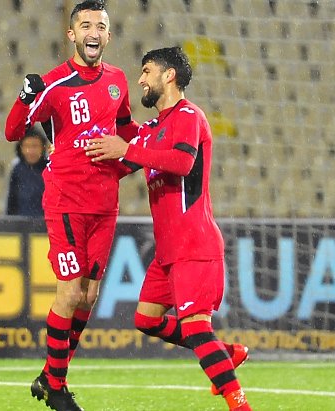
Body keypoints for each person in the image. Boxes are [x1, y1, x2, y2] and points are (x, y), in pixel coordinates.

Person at [85, 46, 252, 411]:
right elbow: (120, 161)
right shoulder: (151, 129)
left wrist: (126, 149)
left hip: (195, 243)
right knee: (147, 318)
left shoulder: (189, 116)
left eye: (146, 71)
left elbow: (180, 161)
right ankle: (226, 353)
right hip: (168, 251)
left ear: (169, 75)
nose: (141, 79)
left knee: (194, 326)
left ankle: (240, 405)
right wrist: (73, 156)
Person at [4, 1, 140, 410]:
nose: (93, 32)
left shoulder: (117, 80)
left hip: (105, 204)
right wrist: (24, 95)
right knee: (68, 293)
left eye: (100, 25)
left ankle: (50, 372)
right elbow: (13, 130)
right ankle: (58, 390)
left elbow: (126, 129)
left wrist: (152, 137)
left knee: (88, 296)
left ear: (109, 35)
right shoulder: (55, 83)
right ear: (72, 34)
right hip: (66, 201)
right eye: (85, 25)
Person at [6, 126, 48, 217]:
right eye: (27, 146)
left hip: (46, 223)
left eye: (35, 146)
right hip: (21, 224)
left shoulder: (49, 168)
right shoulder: (17, 170)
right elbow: (11, 201)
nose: (31, 151)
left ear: (43, 147)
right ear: (21, 148)